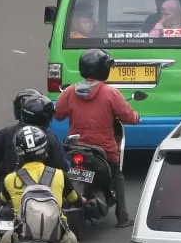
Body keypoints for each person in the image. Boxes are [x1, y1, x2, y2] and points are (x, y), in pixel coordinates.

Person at [54, 49, 141, 227]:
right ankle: (122, 217)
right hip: (104, 150)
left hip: (75, 146)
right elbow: (127, 116)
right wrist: (136, 117)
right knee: (117, 175)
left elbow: (58, 115)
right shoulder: (110, 93)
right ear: (103, 70)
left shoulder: (69, 92)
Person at [0, 126, 83, 243]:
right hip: (56, 236)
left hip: (22, 236)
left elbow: (1, 200)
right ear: (45, 150)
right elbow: (74, 199)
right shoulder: (59, 175)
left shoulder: (10, 179)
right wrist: (81, 201)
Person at [0, 90, 67, 243]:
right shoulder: (50, 137)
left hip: (9, 185)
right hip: (44, 187)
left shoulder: (6, 133)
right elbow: (61, 166)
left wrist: (1, 174)